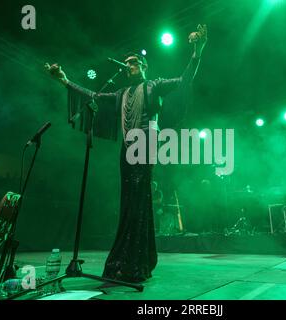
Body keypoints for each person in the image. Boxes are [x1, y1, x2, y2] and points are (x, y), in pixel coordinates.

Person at [45, 24, 207, 283]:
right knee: (128, 203)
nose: (129, 65)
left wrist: (197, 51)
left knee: (140, 201)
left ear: (144, 66)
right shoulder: (121, 93)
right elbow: (93, 95)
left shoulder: (154, 85)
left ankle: (138, 260)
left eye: (133, 62)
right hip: (127, 148)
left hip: (145, 144)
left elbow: (185, 81)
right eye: (127, 63)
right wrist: (65, 81)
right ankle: (128, 257)